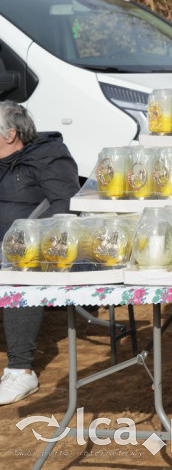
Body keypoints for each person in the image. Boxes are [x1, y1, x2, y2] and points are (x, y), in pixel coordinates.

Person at [0, 101, 79, 405]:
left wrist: (28, 241)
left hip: (31, 250)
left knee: (20, 273)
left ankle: (21, 371)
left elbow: (66, 206)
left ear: (10, 134)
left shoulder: (47, 158)